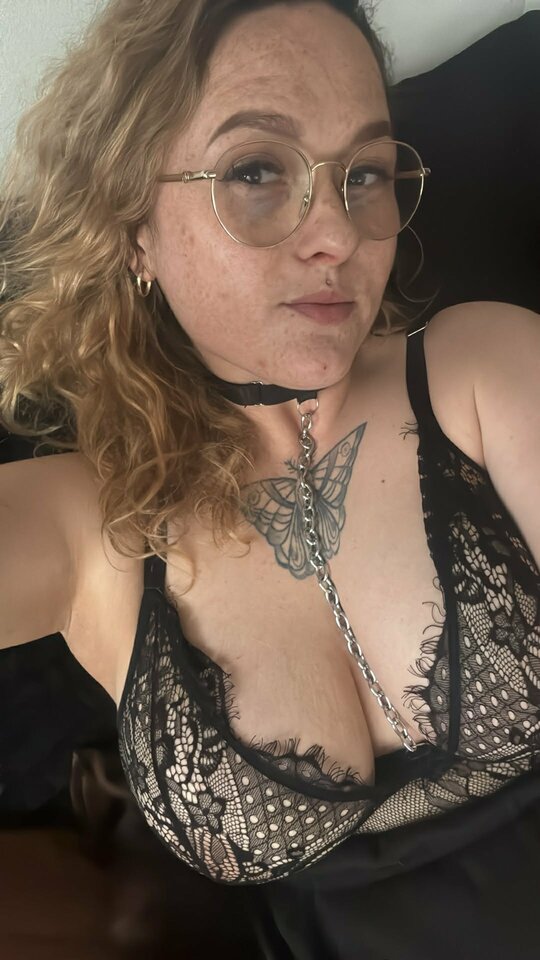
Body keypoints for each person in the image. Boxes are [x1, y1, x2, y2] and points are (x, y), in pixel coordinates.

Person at [1, 1, 540, 957]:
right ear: (133, 224)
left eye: (364, 173)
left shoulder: (479, 370)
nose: (338, 234)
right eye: (256, 171)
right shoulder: (93, 523)